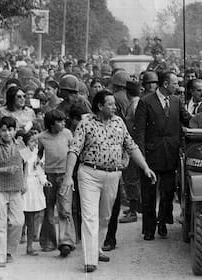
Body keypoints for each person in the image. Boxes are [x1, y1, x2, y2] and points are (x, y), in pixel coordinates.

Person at [61, 90, 156, 273]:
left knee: (105, 217)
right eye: (110, 104)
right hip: (89, 174)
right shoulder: (86, 123)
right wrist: (67, 177)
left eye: (114, 104)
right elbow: (74, 149)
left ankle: (96, 249)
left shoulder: (119, 122)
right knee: (89, 216)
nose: (114, 107)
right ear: (100, 106)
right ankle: (90, 260)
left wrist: (145, 167)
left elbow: (131, 146)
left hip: (113, 175)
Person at [134, 71, 191, 241]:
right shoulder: (145, 102)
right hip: (151, 155)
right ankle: (149, 228)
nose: (177, 87)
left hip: (170, 154)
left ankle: (163, 222)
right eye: (175, 84)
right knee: (149, 193)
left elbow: (188, 120)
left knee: (167, 192)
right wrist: (141, 157)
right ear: (165, 84)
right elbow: (140, 131)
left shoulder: (176, 101)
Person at [0, 116, 26, 267]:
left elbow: (29, 161)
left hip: (16, 187)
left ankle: (9, 251)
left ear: (15, 130)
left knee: (18, 221)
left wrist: (25, 181)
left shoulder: (20, 144)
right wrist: (5, 170)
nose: (7, 133)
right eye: (3, 130)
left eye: (10, 130)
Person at [37, 109, 76, 256]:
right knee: (48, 208)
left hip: (65, 175)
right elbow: (38, 153)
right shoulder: (42, 137)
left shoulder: (67, 134)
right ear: (52, 124)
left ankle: (66, 241)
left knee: (65, 208)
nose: (63, 123)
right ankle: (48, 241)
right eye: (60, 121)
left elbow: (73, 151)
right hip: (48, 177)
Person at [20, 130, 49, 256]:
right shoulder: (25, 153)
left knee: (36, 214)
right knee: (27, 216)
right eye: (32, 141)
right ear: (26, 142)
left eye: (36, 141)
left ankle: (30, 244)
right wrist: (23, 184)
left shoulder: (37, 153)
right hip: (27, 185)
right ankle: (25, 240)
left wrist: (44, 181)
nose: (35, 143)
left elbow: (39, 170)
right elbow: (24, 171)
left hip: (36, 186)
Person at [119, 81, 142, 223]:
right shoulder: (136, 103)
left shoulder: (134, 106)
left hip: (132, 147)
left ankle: (133, 211)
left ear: (127, 93)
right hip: (133, 146)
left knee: (131, 179)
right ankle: (134, 206)